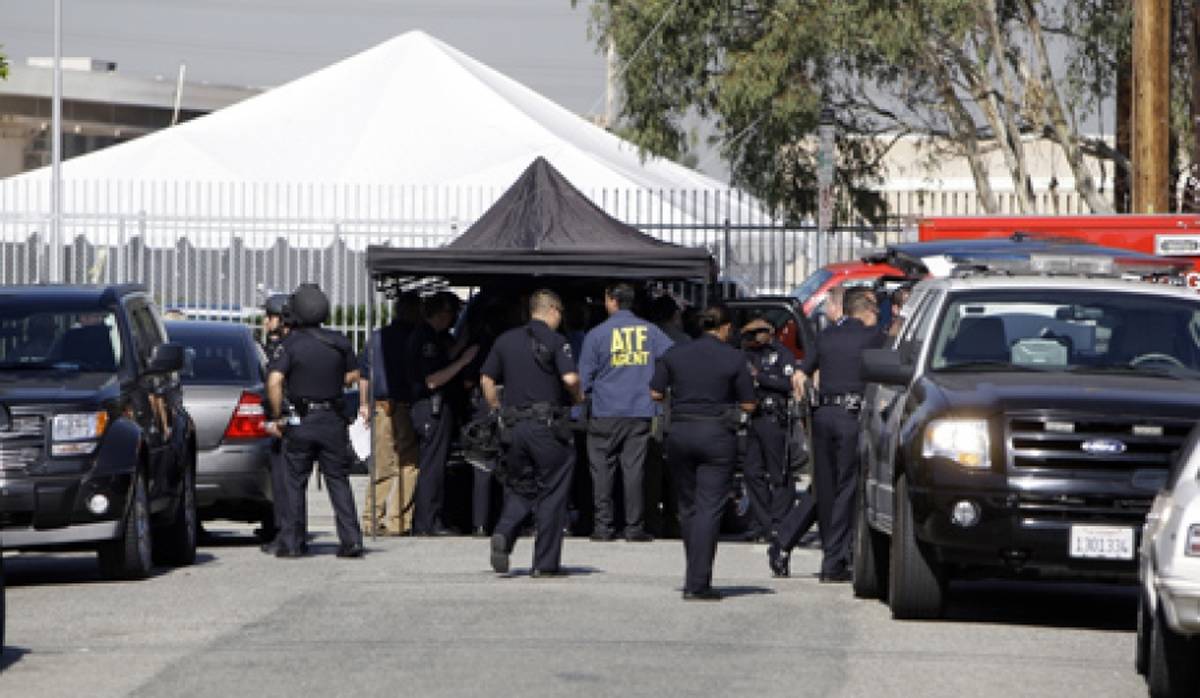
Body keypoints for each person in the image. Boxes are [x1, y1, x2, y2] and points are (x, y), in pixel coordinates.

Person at [650, 304, 756, 601]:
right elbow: (749, 404)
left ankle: (693, 571)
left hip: (681, 432)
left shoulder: (675, 353)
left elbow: (655, 392)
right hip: (717, 434)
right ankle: (698, 582)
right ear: (725, 328)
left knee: (688, 507)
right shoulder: (734, 357)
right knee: (710, 507)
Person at [779, 287, 884, 582]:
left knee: (825, 489)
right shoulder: (874, 337)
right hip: (850, 418)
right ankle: (834, 560)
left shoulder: (826, 337)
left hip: (822, 416)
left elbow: (802, 374)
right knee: (847, 489)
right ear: (866, 311)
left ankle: (829, 552)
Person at [480, 289, 583, 576]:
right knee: (553, 490)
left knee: (521, 486)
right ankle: (545, 564)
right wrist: (578, 397)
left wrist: (496, 409)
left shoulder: (505, 340)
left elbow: (486, 379)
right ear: (552, 310)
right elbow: (570, 378)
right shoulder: (556, 341)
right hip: (547, 427)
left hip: (513, 426)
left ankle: (504, 531)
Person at [265, 283, 364, 558]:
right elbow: (354, 374)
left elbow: (274, 381)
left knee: (295, 482)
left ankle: (293, 542)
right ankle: (351, 540)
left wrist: (277, 415)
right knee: (338, 480)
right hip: (333, 419)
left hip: (302, 419)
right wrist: (331, 382)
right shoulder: (339, 341)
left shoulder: (290, 345)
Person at [579, 282, 673, 542]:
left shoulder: (597, 334)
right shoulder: (651, 331)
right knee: (634, 470)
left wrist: (579, 408)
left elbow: (583, 379)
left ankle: (603, 526)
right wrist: (658, 386)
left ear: (611, 300)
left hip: (605, 410)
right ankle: (634, 527)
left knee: (601, 470)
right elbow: (673, 357)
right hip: (639, 410)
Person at [406, 291, 478, 536]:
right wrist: (463, 361)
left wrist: (459, 346)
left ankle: (431, 519)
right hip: (430, 408)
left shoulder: (434, 337)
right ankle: (427, 523)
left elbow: (442, 358)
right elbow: (433, 380)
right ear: (442, 313)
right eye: (452, 313)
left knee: (436, 465)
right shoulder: (425, 338)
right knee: (432, 467)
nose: (454, 318)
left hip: (434, 408)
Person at [358, 291, 422, 536]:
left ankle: (371, 519)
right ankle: (398, 521)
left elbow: (364, 375)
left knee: (381, 465)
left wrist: (364, 405)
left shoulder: (377, 337)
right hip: (404, 405)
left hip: (381, 406)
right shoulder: (416, 337)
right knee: (408, 464)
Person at [740, 316, 797, 542]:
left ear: (769, 331)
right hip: (754, 417)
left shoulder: (781, 354)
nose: (754, 337)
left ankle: (780, 522)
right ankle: (763, 522)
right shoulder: (747, 354)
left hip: (774, 417)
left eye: (758, 332)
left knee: (778, 473)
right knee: (751, 471)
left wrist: (760, 377)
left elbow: (788, 383)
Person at [259, 293, 294, 554]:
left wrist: (276, 416)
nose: (265, 322)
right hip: (285, 419)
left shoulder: (285, 349)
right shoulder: (275, 346)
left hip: (285, 420)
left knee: (284, 482)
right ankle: (284, 530)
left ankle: (286, 532)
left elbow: (276, 384)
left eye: (269, 317)